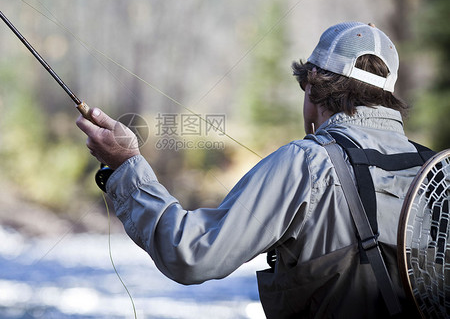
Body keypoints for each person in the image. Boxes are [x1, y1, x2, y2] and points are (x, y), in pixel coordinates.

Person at [76, 22, 422, 318]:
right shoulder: (436, 171)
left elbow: (193, 253)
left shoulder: (306, 163)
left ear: (313, 86)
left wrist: (126, 165)